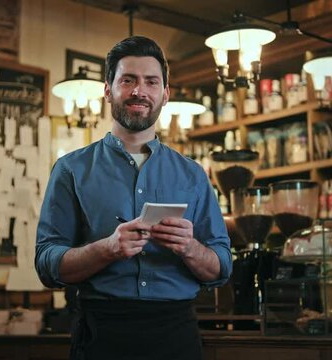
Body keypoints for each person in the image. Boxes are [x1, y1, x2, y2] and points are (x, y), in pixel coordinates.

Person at [35, 36, 232, 360]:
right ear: (108, 90)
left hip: (176, 335)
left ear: (165, 94)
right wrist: (107, 249)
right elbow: (46, 263)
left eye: (151, 82)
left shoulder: (193, 175)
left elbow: (222, 267)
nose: (139, 91)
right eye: (128, 80)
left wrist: (189, 247)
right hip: (101, 334)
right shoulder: (71, 169)